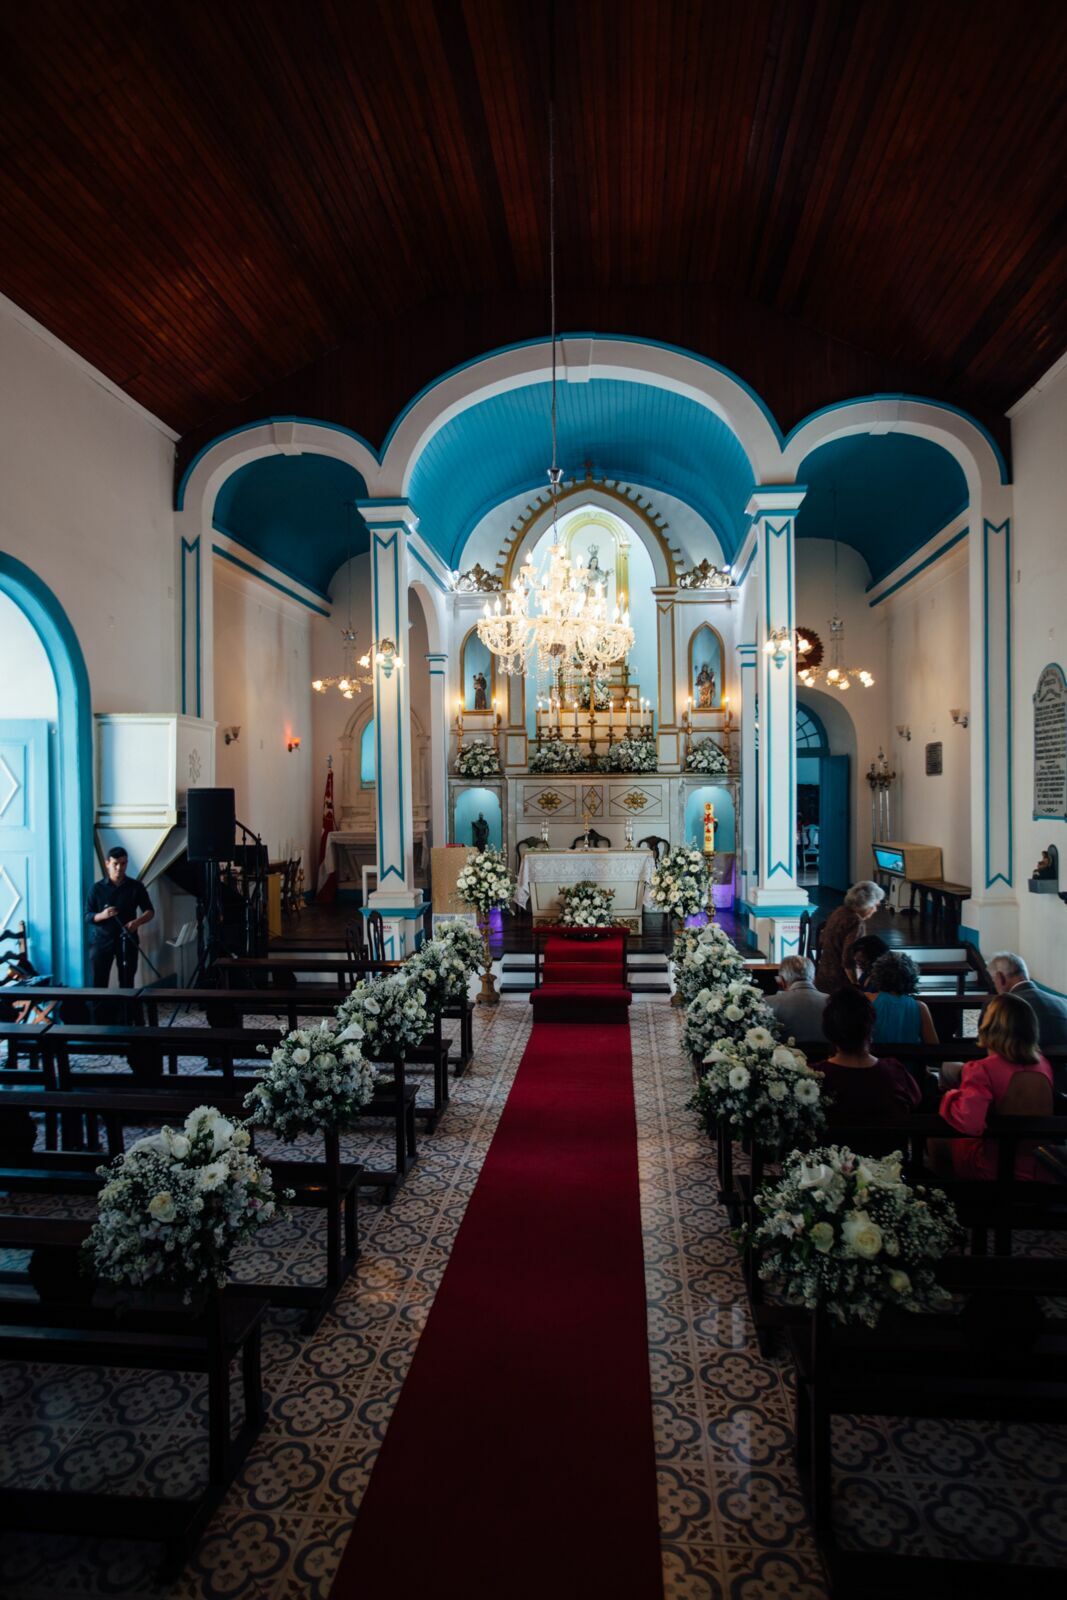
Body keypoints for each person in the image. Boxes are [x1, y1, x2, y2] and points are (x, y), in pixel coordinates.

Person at [937, 994, 1055, 1181]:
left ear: (990, 1027)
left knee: (935, 1140)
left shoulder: (983, 1069)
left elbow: (969, 1123)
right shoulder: (1043, 1064)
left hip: (997, 1168)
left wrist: (950, 1097)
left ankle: (951, 1199)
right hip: (1041, 1165)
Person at [816, 988, 921, 1150]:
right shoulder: (894, 1072)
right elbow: (915, 1101)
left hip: (830, 1168)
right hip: (887, 1166)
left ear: (828, 1031)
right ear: (870, 1028)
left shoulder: (816, 1076)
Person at [987, 951, 1067, 1081]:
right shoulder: (1063, 1002)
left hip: (1019, 1082)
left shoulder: (999, 1007)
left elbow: (989, 1046)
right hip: (1062, 1082)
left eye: (993, 980)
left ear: (1000, 978)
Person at [84, 846, 154, 988]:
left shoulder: (136, 886)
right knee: (99, 983)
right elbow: (87, 916)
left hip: (127, 940)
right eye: (115, 864)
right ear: (107, 863)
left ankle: (127, 1010)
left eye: (123, 864)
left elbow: (150, 911)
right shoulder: (96, 889)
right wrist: (102, 915)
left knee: (127, 983)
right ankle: (100, 1010)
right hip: (101, 942)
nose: (119, 868)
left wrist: (137, 922)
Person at [814, 880, 885, 993]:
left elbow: (822, 940)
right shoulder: (856, 921)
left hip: (823, 976)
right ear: (867, 904)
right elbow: (848, 958)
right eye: (876, 905)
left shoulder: (838, 912)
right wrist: (856, 984)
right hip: (839, 984)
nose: (875, 910)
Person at [866, 951, 938, 1046]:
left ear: (877, 975)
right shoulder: (920, 1007)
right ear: (911, 977)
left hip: (878, 1059)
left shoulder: (868, 1000)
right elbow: (933, 1045)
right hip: (910, 1060)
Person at [766, 954, 828, 1041]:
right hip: (827, 1054)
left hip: (785, 1053)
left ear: (782, 981)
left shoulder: (769, 1003)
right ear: (814, 979)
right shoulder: (832, 1002)